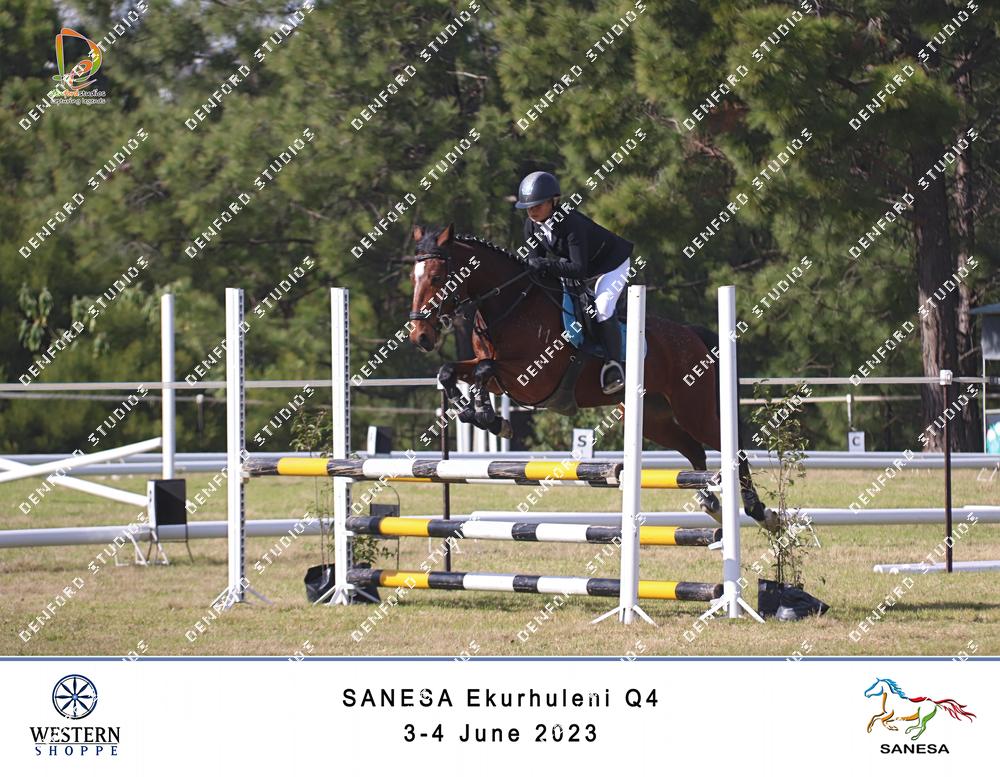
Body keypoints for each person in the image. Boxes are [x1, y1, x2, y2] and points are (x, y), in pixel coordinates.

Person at [516, 170, 634, 394]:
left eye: (537, 205)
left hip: (611, 264)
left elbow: (578, 270)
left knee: (602, 307)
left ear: (554, 201)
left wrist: (545, 264)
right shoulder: (531, 226)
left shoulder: (571, 223)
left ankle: (614, 366)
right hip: (580, 267)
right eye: (528, 207)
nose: (532, 211)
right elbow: (535, 265)